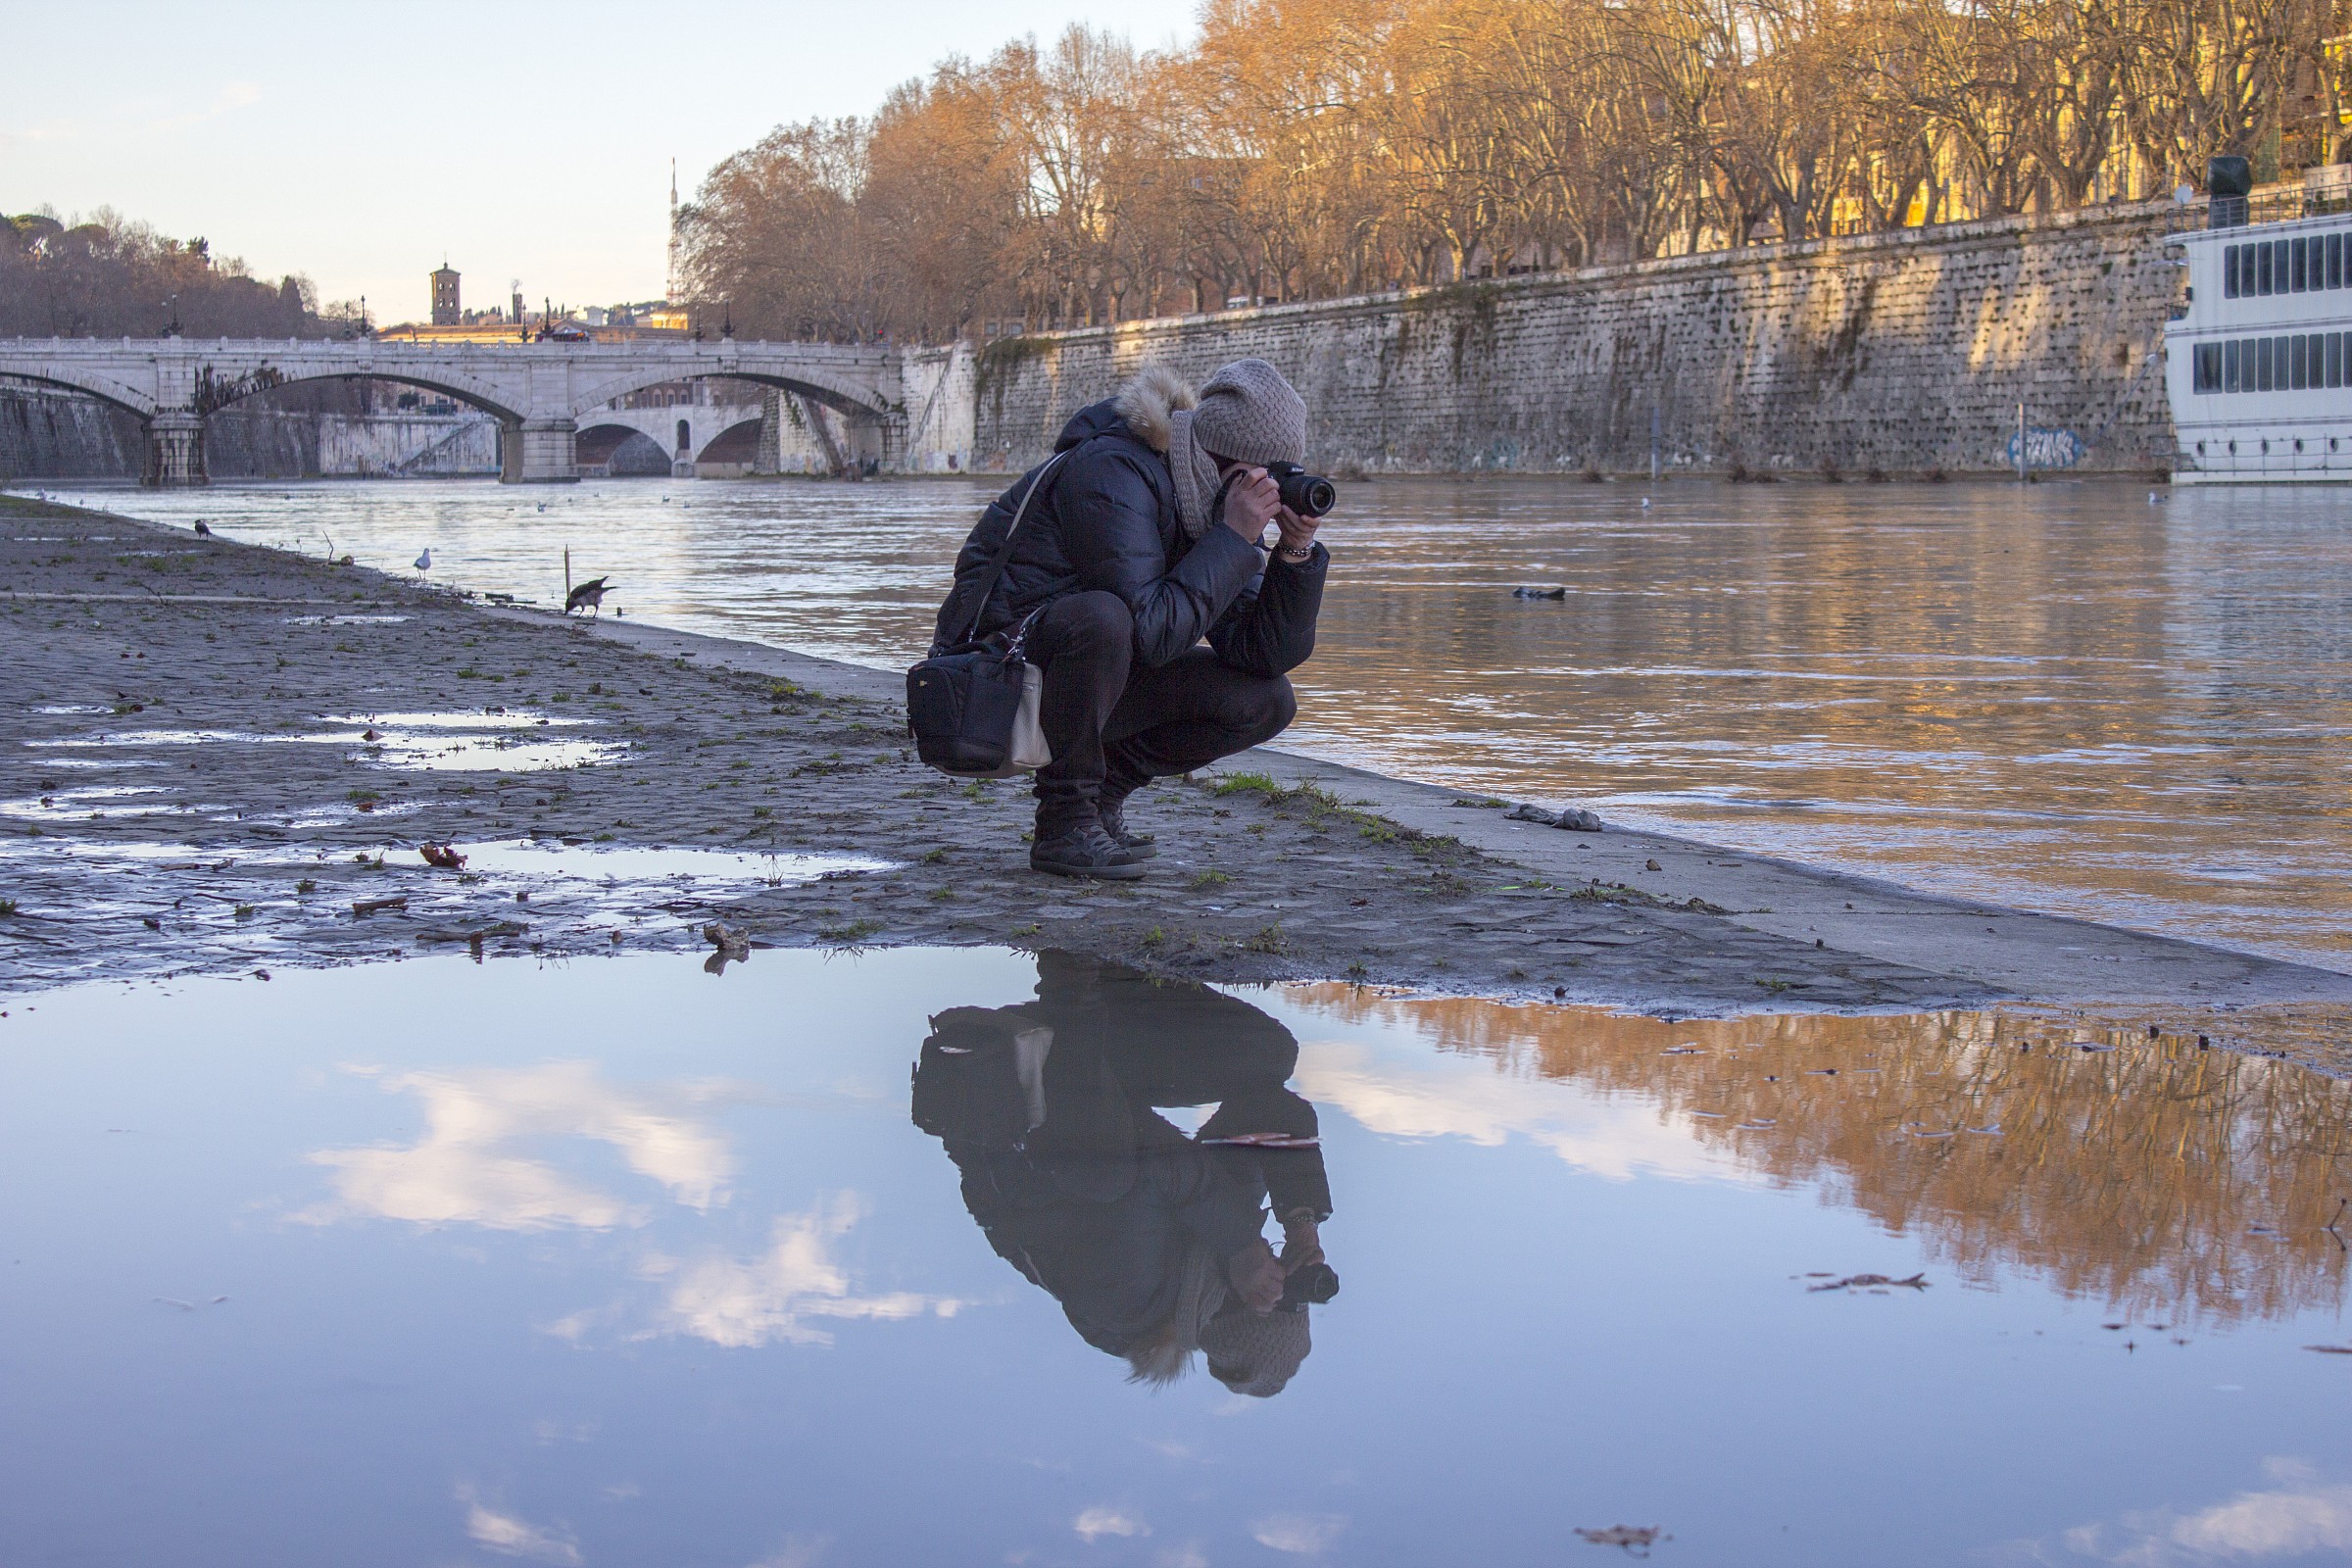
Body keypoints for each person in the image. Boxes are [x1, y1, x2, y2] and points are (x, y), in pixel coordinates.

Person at [931, 360, 1330, 879]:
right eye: (1268, 473)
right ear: (1232, 463)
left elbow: (1263, 652)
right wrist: (1231, 538)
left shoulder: (1210, 499)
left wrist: (1295, 552)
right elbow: (1148, 633)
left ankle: (1102, 796)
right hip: (991, 689)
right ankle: (1065, 822)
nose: (1274, 490)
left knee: (1266, 699)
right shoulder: (1114, 471)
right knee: (1102, 618)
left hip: (1077, 683)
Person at [911, 952, 1336, 1396]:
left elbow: (1153, 1163)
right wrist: (1300, 1222)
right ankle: (1117, 967)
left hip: (1001, 1089)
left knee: (1106, 1177)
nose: (1278, 1271)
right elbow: (1277, 1111)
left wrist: (1242, 1244)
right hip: (1084, 1078)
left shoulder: (1130, 1307)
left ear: (1242, 1307)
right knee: (1268, 1056)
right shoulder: (1219, 1252)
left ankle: (1070, 974)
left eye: (1276, 1290)